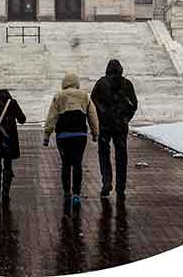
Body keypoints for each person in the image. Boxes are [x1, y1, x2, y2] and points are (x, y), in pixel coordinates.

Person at [43, 72, 99, 207]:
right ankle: (76, 195)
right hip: (80, 136)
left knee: (66, 165)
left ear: (64, 83)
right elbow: (92, 115)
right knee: (77, 164)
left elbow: (52, 117)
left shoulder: (59, 96)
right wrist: (95, 133)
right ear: (76, 83)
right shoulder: (85, 96)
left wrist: (47, 135)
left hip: (63, 136)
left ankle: (67, 192)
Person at [91, 59, 138, 198]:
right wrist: (126, 118)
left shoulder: (101, 83)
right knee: (121, 156)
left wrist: (100, 116)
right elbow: (134, 104)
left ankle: (106, 182)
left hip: (105, 125)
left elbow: (92, 102)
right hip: (120, 126)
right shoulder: (126, 84)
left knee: (104, 154)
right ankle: (120, 188)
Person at [0, 88, 26, 201]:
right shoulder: (12, 103)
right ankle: (6, 191)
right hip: (9, 139)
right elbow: (22, 119)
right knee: (8, 164)